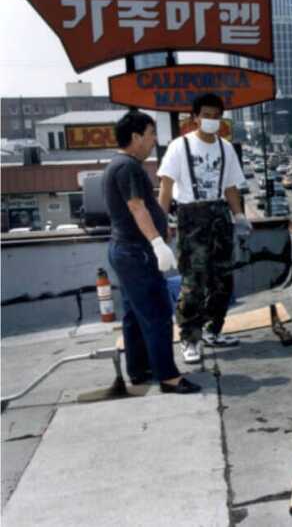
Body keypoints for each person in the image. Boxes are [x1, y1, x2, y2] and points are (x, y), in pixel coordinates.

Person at [103, 111, 200, 394]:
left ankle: (140, 370)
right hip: (137, 252)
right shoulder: (128, 167)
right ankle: (168, 377)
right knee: (157, 313)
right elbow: (137, 207)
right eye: (150, 134)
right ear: (135, 137)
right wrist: (157, 243)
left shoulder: (118, 164)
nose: (154, 140)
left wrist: (161, 226)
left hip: (125, 250)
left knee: (135, 314)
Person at [158, 93, 250, 365]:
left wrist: (239, 215)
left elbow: (230, 187)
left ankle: (213, 330)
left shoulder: (226, 148)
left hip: (220, 216)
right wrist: (161, 224)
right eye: (206, 115)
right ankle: (190, 338)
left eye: (216, 116)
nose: (212, 120)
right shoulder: (179, 146)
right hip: (191, 217)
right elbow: (165, 187)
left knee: (223, 280)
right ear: (195, 117)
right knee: (193, 282)